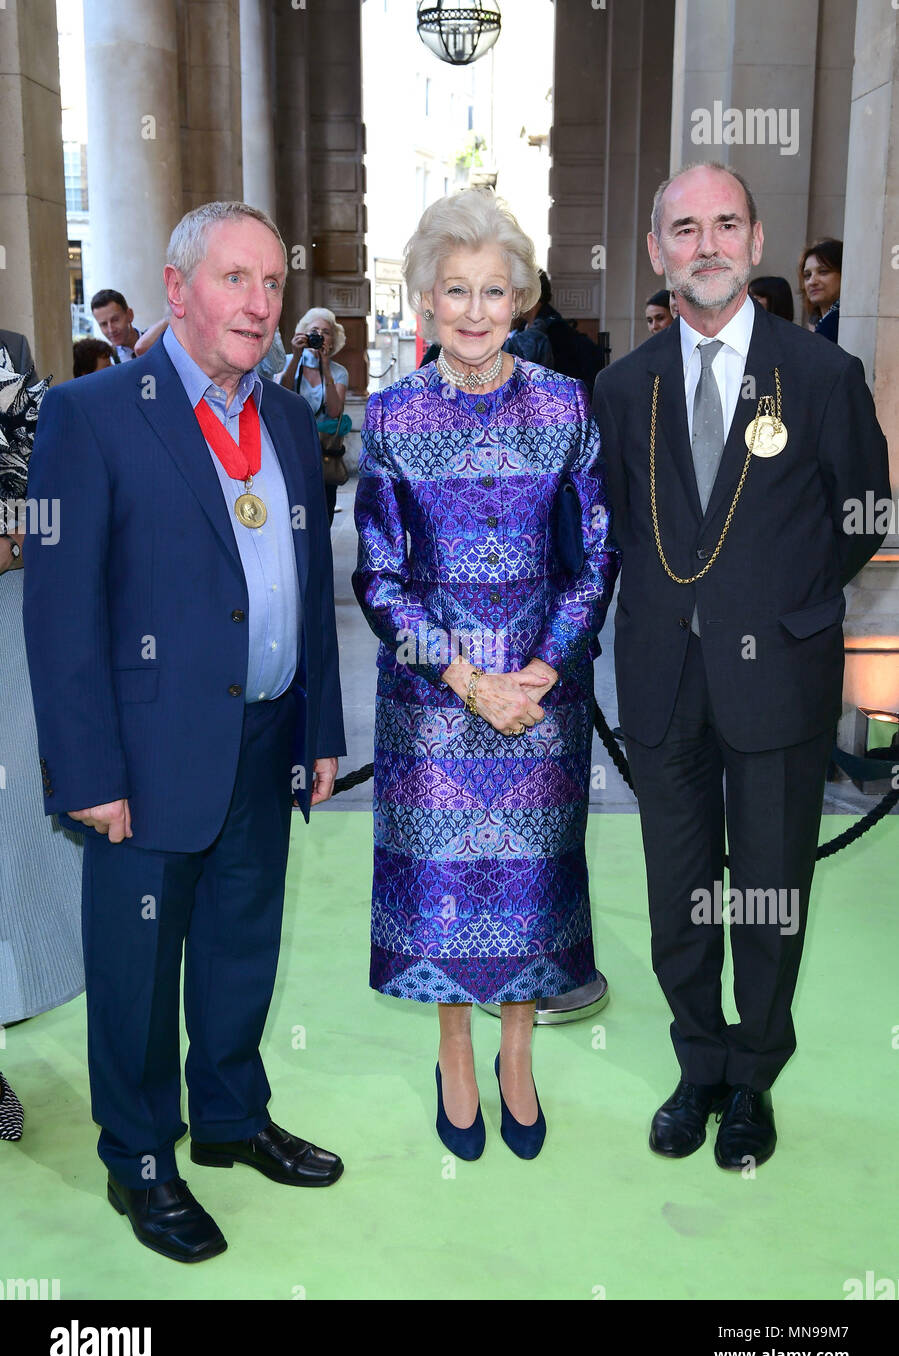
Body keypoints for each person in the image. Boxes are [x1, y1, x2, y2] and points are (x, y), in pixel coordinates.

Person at [24, 200, 346, 1263]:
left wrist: (320, 729)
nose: (259, 303)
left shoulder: (289, 419)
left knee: (242, 943)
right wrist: (85, 769)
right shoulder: (94, 413)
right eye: (233, 280)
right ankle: (142, 1160)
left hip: (263, 737)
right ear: (176, 288)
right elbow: (60, 613)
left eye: (270, 283)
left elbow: (304, 585)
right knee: (137, 963)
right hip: (144, 751)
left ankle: (229, 1117)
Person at [592, 162, 890, 1171]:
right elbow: (617, 530)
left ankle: (753, 1074)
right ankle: (698, 1064)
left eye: (725, 224)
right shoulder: (620, 386)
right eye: (683, 228)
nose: (705, 244)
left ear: (755, 243)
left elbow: (862, 514)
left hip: (779, 681)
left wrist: (787, 601)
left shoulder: (819, 378)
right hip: (661, 686)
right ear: (655, 252)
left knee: (768, 890)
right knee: (679, 893)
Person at [353, 188, 619, 1163]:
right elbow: (378, 578)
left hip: (541, 702)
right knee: (444, 893)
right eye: (454, 290)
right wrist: (471, 681)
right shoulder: (388, 419)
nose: (473, 311)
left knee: (529, 885)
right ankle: (453, 1054)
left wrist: (541, 670)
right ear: (425, 297)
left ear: (520, 300)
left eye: (493, 291)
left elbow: (594, 556)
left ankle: (517, 1054)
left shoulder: (564, 406)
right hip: (433, 707)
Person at [1, 339, 84, 1144]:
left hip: (9, 642)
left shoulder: (10, 361)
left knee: (12, 841)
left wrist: (13, 530)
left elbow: (41, 501)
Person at [280, 308, 349, 526]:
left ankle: (320, 556)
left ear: (333, 339)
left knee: (323, 514)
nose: (319, 335)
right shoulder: (288, 361)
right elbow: (282, 395)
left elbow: (334, 411)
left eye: (326, 332)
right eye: (314, 330)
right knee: (294, 511)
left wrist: (325, 367)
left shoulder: (338, 372)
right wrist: (296, 356)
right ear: (303, 334)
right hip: (292, 445)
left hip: (324, 451)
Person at [798, 238, 842, 341]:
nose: (812, 282)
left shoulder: (837, 323)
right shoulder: (818, 323)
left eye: (823, 272)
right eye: (807, 275)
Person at [90, 289, 144, 362]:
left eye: (115, 320)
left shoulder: (156, 341)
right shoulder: (108, 362)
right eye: (104, 324)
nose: (111, 330)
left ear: (130, 315)